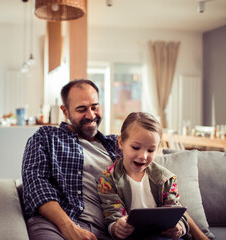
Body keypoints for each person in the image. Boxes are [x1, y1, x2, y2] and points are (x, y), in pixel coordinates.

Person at [21, 79, 209, 240]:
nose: (91, 115)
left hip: (111, 231)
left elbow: (161, 188)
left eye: (95, 107)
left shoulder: (117, 145)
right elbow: (36, 185)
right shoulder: (46, 137)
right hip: (60, 226)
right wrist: (68, 227)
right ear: (65, 111)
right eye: (81, 109)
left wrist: (199, 235)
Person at [98, 112, 189, 239]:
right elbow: (112, 215)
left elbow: (176, 210)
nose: (143, 156)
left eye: (151, 150)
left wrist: (179, 227)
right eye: (136, 147)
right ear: (121, 142)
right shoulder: (109, 179)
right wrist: (116, 227)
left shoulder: (166, 179)